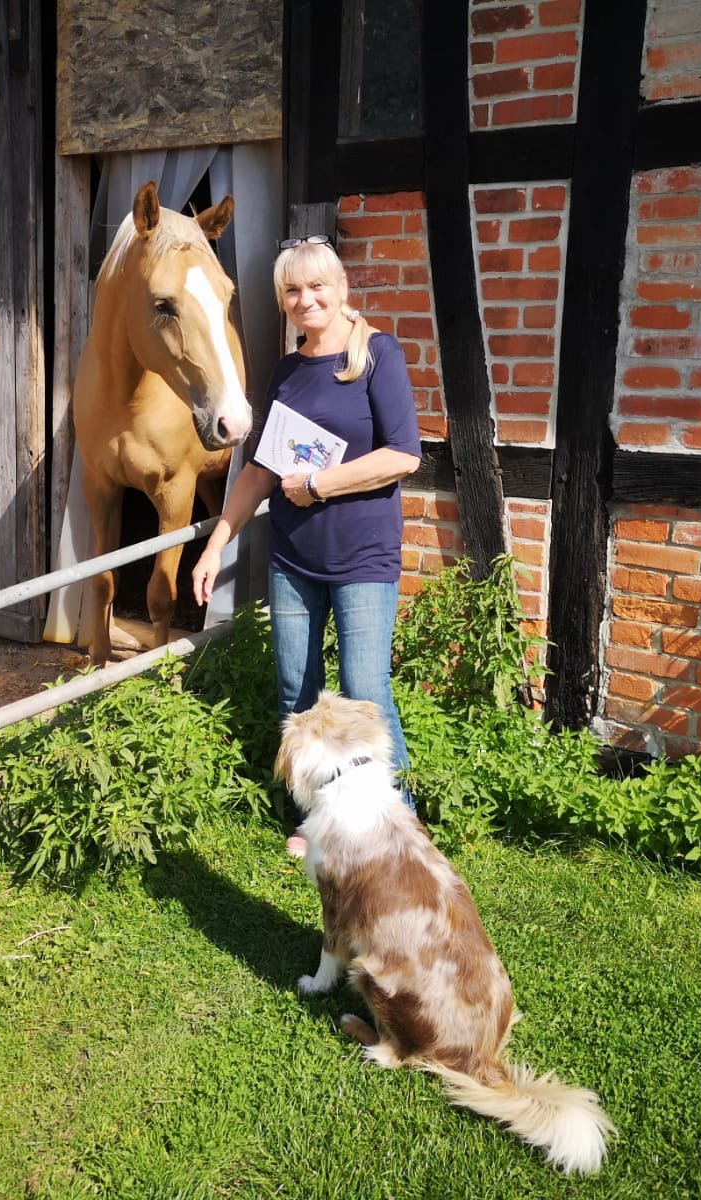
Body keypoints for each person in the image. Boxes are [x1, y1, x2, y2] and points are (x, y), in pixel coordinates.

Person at [191, 235, 422, 855]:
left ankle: (395, 821)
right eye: (292, 290)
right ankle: (321, 816)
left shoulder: (376, 355)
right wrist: (216, 546)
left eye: (317, 285)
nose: (305, 299)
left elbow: (403, 455)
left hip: (363, 559)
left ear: (340, 287)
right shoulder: (289, 371)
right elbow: (262, 472)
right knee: (297, 691)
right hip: (293, 560)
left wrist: (318, 484)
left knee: (365, 690)